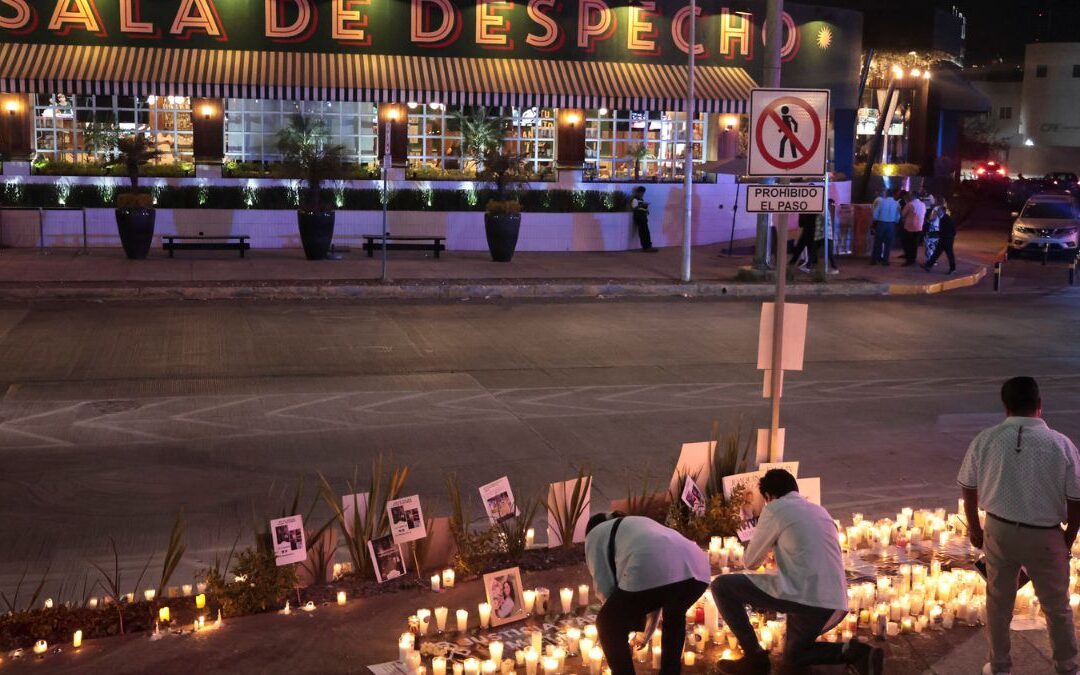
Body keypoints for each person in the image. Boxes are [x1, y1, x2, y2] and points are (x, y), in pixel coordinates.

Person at [957, 377, 1080, 675]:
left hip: (999, 531)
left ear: (1005, 405)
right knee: (1056, 606)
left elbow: (968, 486)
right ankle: (1067, 666)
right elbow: (1076, 497)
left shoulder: (986, 439)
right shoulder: (1060, 443)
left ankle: (999, 665)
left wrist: (975, 528)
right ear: (1039, 405)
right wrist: (1068, 538)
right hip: (1045, 535)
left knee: (999, 603)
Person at [711, 470, 882, 675]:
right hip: (834, 598)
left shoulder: (775, 508)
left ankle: (754, 657)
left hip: (803, 594)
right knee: (793, 657)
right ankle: (857, 652)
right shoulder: (820, 511)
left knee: (722, 586)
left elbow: (751, 561)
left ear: (768, 497)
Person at [585, 512, 709, 675]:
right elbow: (655, 595)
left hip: (656, 566)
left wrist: (617, 634)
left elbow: (605, 588)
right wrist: (643, 636)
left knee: (607, 623)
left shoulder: (594, 535)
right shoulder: (636, 524)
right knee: (674, 616)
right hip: (698, 569)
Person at [922, 202, 957, 274]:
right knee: (937, 253)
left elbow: (953, 229)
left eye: (939, 211)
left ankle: (953, 269)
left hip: (947, 239)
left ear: (943, 211)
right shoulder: (942, 218)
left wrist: (950, 237)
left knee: (949, 254)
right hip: (943, 239)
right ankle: (928, 265)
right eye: (938, 211)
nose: (937, 212)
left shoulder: (946, 218)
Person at [870, 189, 900, 265]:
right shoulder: (896, 203)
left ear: (886, 194)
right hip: (891, 224)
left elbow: (875, 214)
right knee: (888, 243)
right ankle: (885, 261)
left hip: (881, 223)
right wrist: (895, 221)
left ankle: (874, 260)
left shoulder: (881, 202)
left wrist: (875, 221)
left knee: (878, 242)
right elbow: (898, 215)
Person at [900, 189, 927, 266]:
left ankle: (909, 260)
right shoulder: (923, 204)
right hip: (919, 227)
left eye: (910, 195)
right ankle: (913, 259)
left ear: (913, 196)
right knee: (914, 244)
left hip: (909, 227)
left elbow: (903, 214)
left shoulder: (910, 204)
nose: (909, 196)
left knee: (908, 243)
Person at [813, 198, 840, 274]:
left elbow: (824, 221)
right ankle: (809, 266)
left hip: (824, 234)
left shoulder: (823, 209)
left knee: (827, 252)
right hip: (824, 234)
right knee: (814, 250)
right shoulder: (824, 209)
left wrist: (821, 230)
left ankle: (835, 268)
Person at [629, 187, 657, 252]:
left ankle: (648, 246)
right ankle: (646, 247)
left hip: (642, 217)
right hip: (639, 217)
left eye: (643, 193)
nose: (642, 194)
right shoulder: (635, 199)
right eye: (641, 193)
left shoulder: (640, 199)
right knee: (644, 232)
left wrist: (645, 208)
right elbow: (634, 208)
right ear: (638, 192)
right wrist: (642, 205)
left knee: (645, 232)